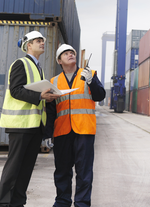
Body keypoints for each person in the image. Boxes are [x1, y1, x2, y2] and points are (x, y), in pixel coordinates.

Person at [0, 30, 61, 207]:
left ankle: (17, 203)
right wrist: (40, 96)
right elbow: (16, 90)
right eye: (38, 40)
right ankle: (2, 204)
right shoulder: (20, 63)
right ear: (28, 45)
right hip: (20, 126)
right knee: (13, 168)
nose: (42, 43)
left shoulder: (38, 67)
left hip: (34, 127)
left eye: (43, 40)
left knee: (25, 170)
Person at [45, 44, 106, 207]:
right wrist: (47, 134)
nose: (70, 54)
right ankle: (62, 201)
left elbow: (100, 96)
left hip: (84, 130)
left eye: (72, 52)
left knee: (84, 171)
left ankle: (82, 203)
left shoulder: (89, 74)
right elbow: (51, 110)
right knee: (62, 170)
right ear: (59, 60)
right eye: (65, 53)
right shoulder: (53, 82)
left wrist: (92, 81)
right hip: (62, 131)